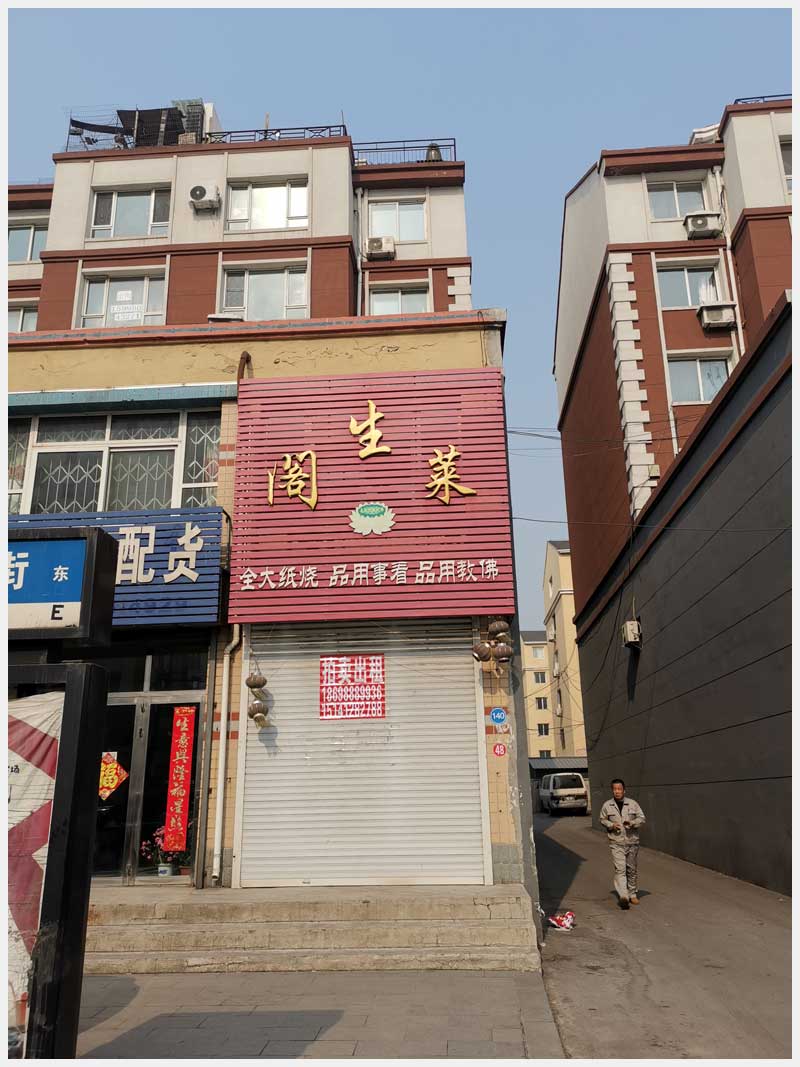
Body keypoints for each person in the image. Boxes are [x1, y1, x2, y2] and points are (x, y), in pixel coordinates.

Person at [598, 779, 646, 909]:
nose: (617, 791)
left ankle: (632, 894)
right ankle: (624, 896)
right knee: (620, 869)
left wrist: (632, 823)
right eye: (615, 789)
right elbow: (602, 819)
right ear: (612, 790)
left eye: (619, 789)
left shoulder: (633, 804)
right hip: (616, 842)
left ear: (624, 790)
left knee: (631, 869)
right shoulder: (607, 805)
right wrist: (611, 825)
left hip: (632, 842)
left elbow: (642, 818)